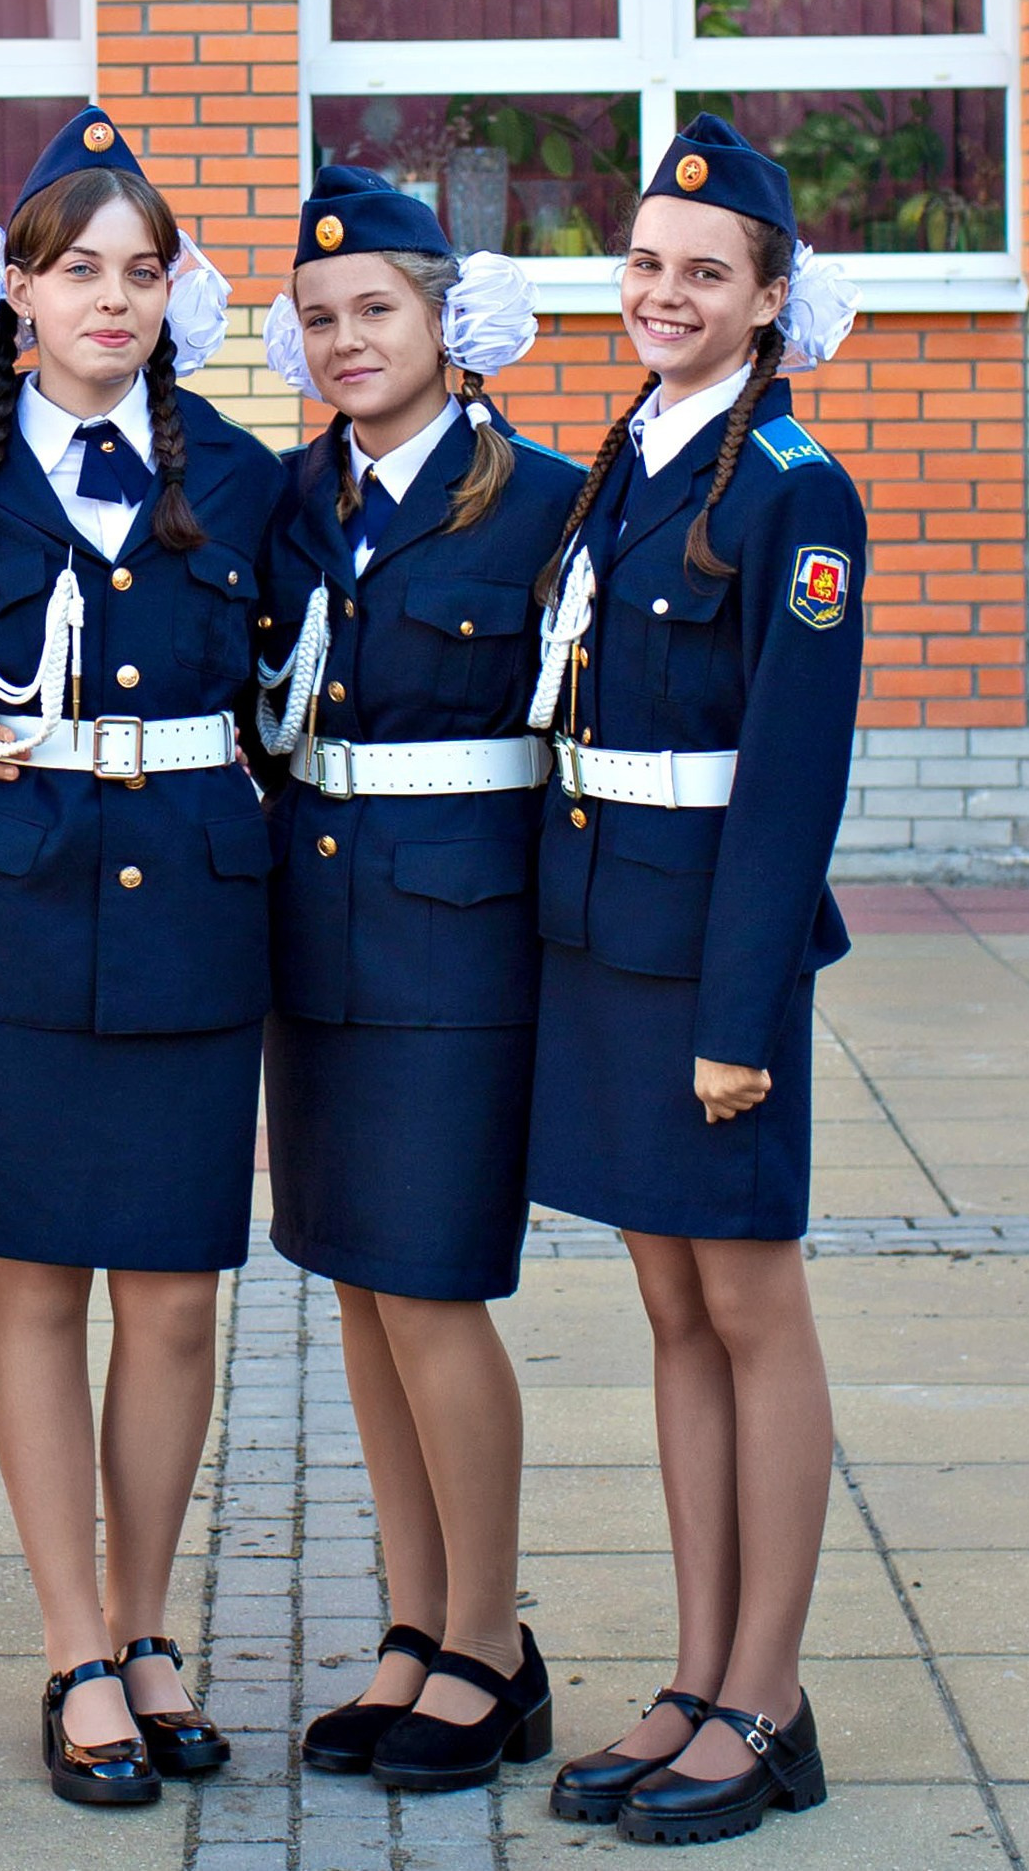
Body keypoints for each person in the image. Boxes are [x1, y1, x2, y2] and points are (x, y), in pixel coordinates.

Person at [0, 107, 282, 1807]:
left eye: (141, 271)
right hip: (21, 917)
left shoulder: (250, 477)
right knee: (36, 1282)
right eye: (77, 270)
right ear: (19, 292)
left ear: (174, 292)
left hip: (194, 908)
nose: (110, 299)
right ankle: (72, 1647)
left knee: (175, 1293)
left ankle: (148, 1624)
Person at [526, 115, 864, 1846]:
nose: (664, 293)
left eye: (705, 273)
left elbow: (791, 781)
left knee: (749, 1306)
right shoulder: (632, 455)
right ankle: (695, 1669)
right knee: (670, 1310)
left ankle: (768, 1697)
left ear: (768, 296)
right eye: (648, 263)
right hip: (611, 938)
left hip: (714, 961)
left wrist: (741, 1018)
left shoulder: (796, 485)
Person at [252, 166, 580, 1792]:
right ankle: (413, 1621)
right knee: (360, 1289)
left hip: (462, 940)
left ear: (450, 323)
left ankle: (491, 1644)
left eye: (373, 308)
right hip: (314, 934)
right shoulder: (285, 499)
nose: (344, 340)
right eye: (317, 317)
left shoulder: (546, 500)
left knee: (435, 1291)